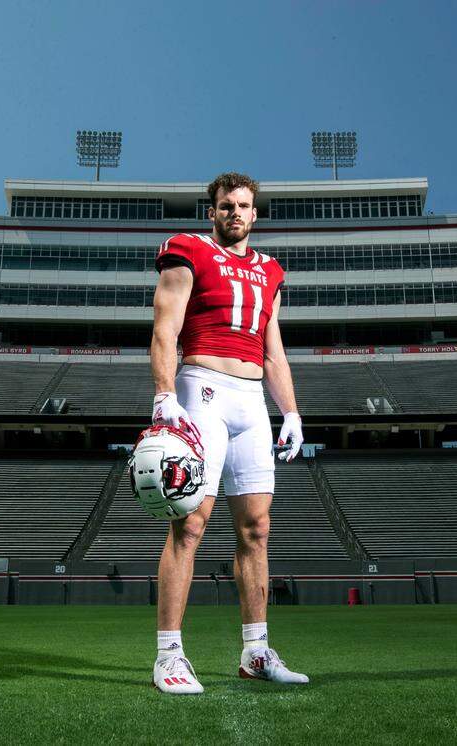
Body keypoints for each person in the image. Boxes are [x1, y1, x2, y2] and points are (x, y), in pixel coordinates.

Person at [149, 172, 307, 695]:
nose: (235, 212)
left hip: (251, 399)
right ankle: (169, 654)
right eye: (225, 205)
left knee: (256, 529)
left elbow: (273, 347)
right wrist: (164, 395)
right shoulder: (188, 250)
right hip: (202, 389)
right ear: (211, 211)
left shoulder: (271, 271)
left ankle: (256, 651)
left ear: (254, 214)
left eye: (243, 205)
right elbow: (164, 329)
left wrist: (291, 411)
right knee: (191, 525)